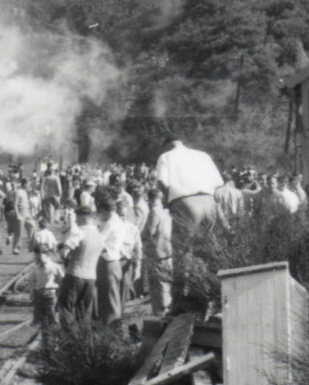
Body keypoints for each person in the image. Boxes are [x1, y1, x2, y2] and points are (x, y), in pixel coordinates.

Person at [153, 138, 224, 306]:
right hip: (209, 201)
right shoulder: (202, 155)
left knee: (182, 253)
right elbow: (218, 183)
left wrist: (169, 201)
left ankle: (179, 302)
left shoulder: (166, 156)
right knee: (209, 251)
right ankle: (214, 295)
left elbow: (162, 182)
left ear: (167, 145)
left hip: (185, 202)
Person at [94, 196, 136, 324]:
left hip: (108, 263)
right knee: (113, 297)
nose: (100, 216)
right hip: (116, 262)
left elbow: (97, 242)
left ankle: (111, 327)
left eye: (100, 212)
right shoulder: (119, 222)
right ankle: (113, 326)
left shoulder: (110, 224)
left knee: (108, 300)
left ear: (104, 210)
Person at [58, 207, 103, 320]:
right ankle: (82, 335)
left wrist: (61, 249)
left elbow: (64, 254)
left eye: (77, 219)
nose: (76, 222)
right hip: (91, 277)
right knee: (84, 312)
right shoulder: (99, 235)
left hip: (74, 275)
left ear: (83, 218)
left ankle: (68, 336)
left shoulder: (79, 233)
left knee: (65, 307)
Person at [141, 187, 175, 317]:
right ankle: (167, 310)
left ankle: (160, 314)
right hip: (168, 252)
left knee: (158, 287)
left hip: (157, 254)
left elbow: (149, 232)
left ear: (150, 200)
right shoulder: (166, 212)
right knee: (166, 284)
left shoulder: (154, 212)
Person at [29, 226, 63, 330]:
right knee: (38, 312)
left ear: (47, 255)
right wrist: (31, 293)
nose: (37, 259)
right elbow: (32, 281)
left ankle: (53, 326)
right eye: (36, 257)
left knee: (51, 312)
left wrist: (60, 292)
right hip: (39, 292)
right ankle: (42, 327)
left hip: (51, 293)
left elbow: (62, 280)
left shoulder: (55, 267)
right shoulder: (35, 268)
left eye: (40, 257)